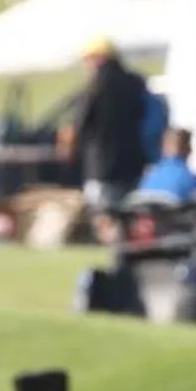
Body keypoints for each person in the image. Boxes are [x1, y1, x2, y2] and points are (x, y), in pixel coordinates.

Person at [62, 36, 149, 245]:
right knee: (128, 216)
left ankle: (116, 252)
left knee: (104, 215)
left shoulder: (95, 86)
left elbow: (82, 123)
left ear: (97, 58)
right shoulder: (135, 83)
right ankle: (128, 250)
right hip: (133, 163)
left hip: (102, 166)